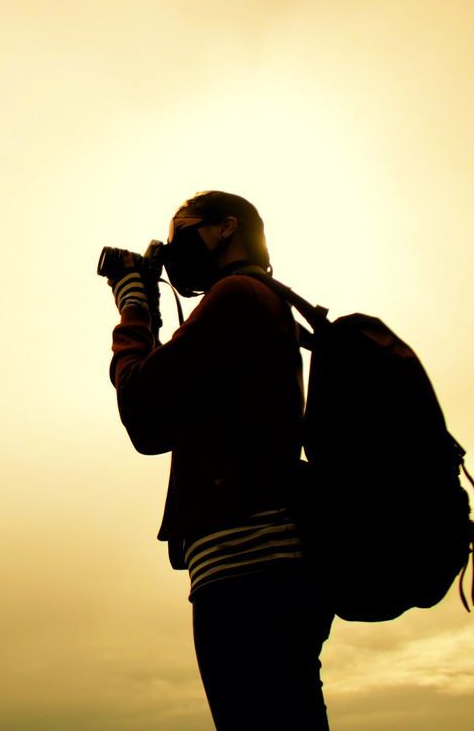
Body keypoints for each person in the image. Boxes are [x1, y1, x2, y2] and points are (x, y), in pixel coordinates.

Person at [105, 191, 335, 730]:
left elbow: (138, 404)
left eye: (181, 230)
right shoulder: (252, 303)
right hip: (260, 566)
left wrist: (134, 311)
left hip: (250, 566)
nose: (170, 250)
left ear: (224, 228)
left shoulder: (235, 296)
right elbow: (157, 428)